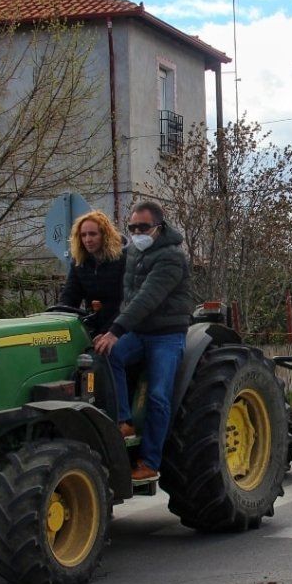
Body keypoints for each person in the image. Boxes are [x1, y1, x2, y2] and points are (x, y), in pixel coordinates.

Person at [93, 201, 193, 482]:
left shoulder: (172, 257)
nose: (137, 232)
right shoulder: (133, 251)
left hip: (167, 335)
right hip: (140, 331)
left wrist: (115, 330)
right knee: (107, 355)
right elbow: (117, 284)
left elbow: (146, 298)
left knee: (159, 396)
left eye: (143, 227)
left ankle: (149, 461)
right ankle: (123, 422)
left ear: (159, 228)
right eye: (132, 227)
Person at [59, 210, 126, 334]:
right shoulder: (79, 263)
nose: (87, 239)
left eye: (92, 234)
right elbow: (70, 296)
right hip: (92, 324)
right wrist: (59, 319)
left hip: (120, 326)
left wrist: (109, 332)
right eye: (83, 235)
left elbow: (126, 302)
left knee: (116, 351)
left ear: (105, 235)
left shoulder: (123, 260)